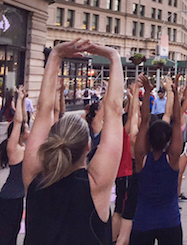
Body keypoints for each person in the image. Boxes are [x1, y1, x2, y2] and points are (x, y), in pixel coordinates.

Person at [23, 39, 124, 244]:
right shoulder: (96, 185)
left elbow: (43, 111)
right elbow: (114, 111)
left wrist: (55, 55)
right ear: (88, 146)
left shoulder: (34, 179)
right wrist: (113, 56)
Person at [130, 74, 183, 244]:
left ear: (148, 138)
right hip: (170, 221)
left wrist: (146, 92)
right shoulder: (173, 159)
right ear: (168, 140)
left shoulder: (141, 159)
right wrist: (174, 94)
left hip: (143, 220)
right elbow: (176, 123)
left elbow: (144, 121)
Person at [112, 79, 141, 245]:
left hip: (120, 173)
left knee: (118, 208)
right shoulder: (126, 133)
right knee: (124, 210)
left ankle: (114, 238)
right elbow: (134, 115)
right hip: (126, 173)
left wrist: (132, 97)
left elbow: (132, 114)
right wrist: (134, 96)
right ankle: (120, 239)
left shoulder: (119, 132)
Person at [0, 86, 29, 245]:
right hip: (9, 198)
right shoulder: (14, 149)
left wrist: (23, 100)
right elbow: (18, 121)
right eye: (26, 129)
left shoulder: (23, 147)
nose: (28, 130)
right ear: (20, 133)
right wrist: (18, 99)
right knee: (6, 236)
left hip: (16, 198)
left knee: (13, 232)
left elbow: (23, 119)